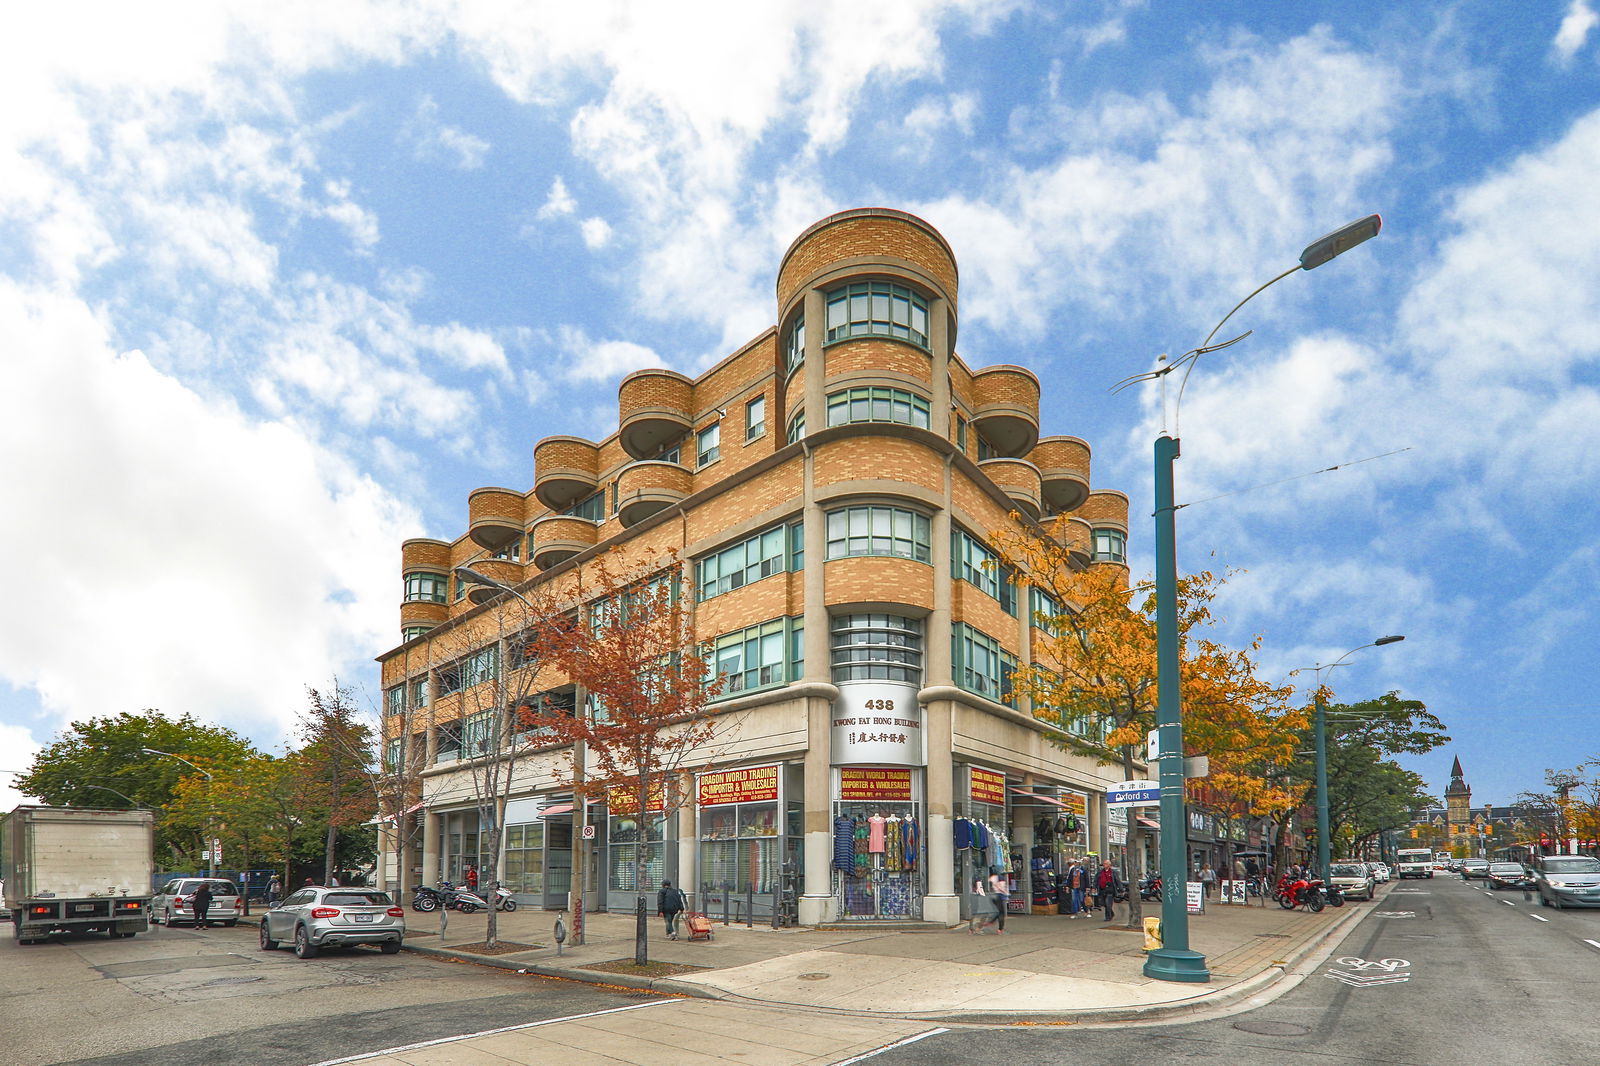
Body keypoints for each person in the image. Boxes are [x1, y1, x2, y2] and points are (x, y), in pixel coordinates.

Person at [987, 866, 1010, 934]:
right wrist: (1006, 893)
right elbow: (1001, 887)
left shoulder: (991, 878)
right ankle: (1000, 929)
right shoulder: (1000, 877)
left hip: (993, 896)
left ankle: (992, 922)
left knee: (999, 911)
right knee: (1001, 913)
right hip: (999, 896)